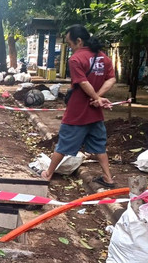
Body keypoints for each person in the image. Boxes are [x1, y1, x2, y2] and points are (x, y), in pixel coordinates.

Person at [40, 24, 117, 188]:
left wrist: (97, 97)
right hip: (95, 113)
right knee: (99, 146)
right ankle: (108, 178)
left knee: (63, 145)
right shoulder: (103, 57)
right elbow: (111, 79)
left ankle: (48, 174)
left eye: (69, 43)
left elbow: (82, 82)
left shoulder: (75, 59)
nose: (70, 47)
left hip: (77, 112)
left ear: (79, 41)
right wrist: (99, 98)